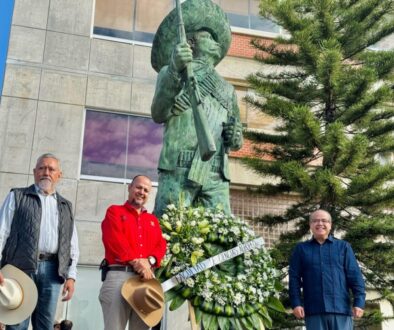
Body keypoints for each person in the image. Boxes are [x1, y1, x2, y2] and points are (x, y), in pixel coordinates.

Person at [151, 0, 243, 217]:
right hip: (178, 167)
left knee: (221, 236)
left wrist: (234, 135)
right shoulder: (171, 72)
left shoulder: (228, 90)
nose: (215, 42)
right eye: (208, 36)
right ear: (191, 41)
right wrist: (175, 69)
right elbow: (158, 113)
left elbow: (237, 140)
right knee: (169, 229)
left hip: (216, 173)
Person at [0, 153, 79, 330]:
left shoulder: (66, 206)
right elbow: (1, 231)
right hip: (19, 268)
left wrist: (71, 276)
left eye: (51, 169)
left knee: (45, 325)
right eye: (42, 168)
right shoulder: (17, 196)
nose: (46, 172)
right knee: (17, 324)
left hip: (52, 270)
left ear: (59, 175)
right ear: (35, 172)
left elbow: (72, 244)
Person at [99, 175, 167, 330]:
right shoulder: (114, 211)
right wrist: (136, 262)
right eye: (138, 187)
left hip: (145, 280)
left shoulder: (152, 220)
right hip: (119, 275)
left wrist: (149, 261)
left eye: (146, 190)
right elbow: (114, 240)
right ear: (130, 188)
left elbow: (161, 245)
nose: (141, 192)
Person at [289, 209, 366, 330]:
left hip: (341, 310)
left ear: (330, 225)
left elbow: (355, 276)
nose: (320, 223)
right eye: (315, 221)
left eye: (324, 220)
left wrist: (359, 302)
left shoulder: (343, 247)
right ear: (310, 225)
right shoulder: (301, 249)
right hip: (314, 311)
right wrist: (296, 303)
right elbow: (294, 279)